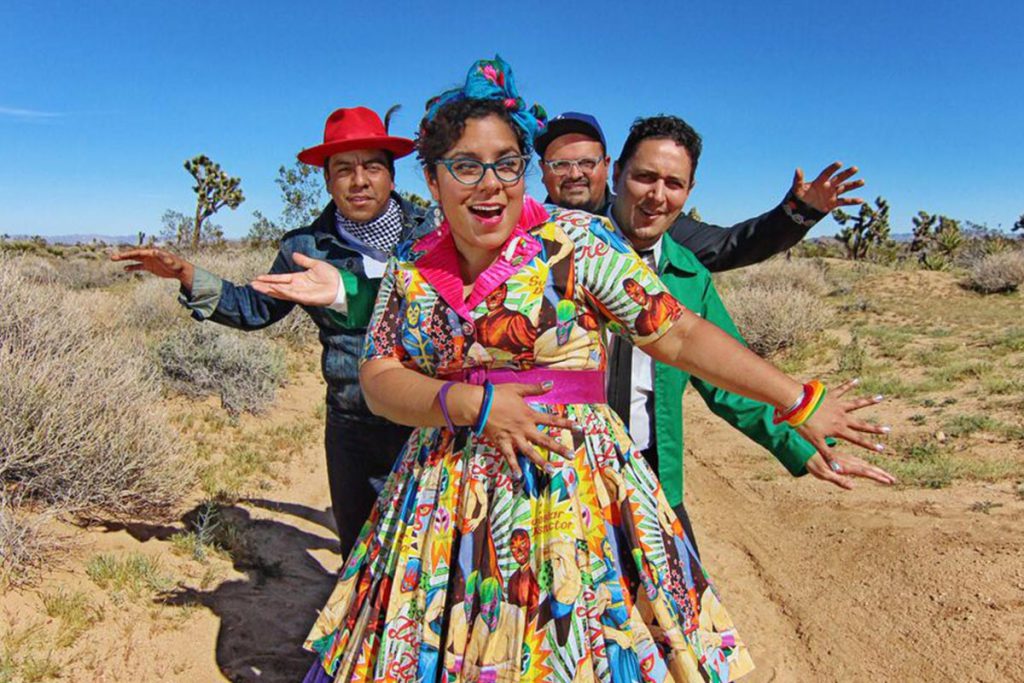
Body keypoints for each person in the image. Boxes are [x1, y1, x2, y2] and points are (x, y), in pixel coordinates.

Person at [254, 56, 887, 682]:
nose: (490, 183)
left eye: (506, 164)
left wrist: (798, 398)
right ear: (431, 176)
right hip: (442, 501)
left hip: (570, 490)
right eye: (467, 166)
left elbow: (679, 334)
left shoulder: (578, 242)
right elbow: (380, 378)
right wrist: (470, 406)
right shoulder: (411, 263)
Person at [112, 106, 430, 556]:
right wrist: (186, 274)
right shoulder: (304, 247)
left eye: (371, 166)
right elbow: (253, 308)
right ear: (327, 181)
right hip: (353, 423)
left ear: (392, 177)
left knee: (431, 554)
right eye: (343, 169)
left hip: (431, 416)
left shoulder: (435, 232)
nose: (359, 180)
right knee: (360, 555)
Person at [600, 115, 895, 554]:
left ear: (690, 192)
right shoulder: (561, 252)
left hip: (653, 475)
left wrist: (801, 445)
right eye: (644, 177)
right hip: (563, 476)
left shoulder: (687, 276)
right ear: (617, 173)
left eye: (674, 183)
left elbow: (730, 383)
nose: (657, 196)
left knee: (685, 616)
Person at [534, 110, 865, 272]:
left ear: (609, 167)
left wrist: (798, 213)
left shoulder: (648, 224)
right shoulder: (521, 235)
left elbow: (731, 245)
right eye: (560, 164)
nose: (574, 173)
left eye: (586, 162)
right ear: (542, 171)